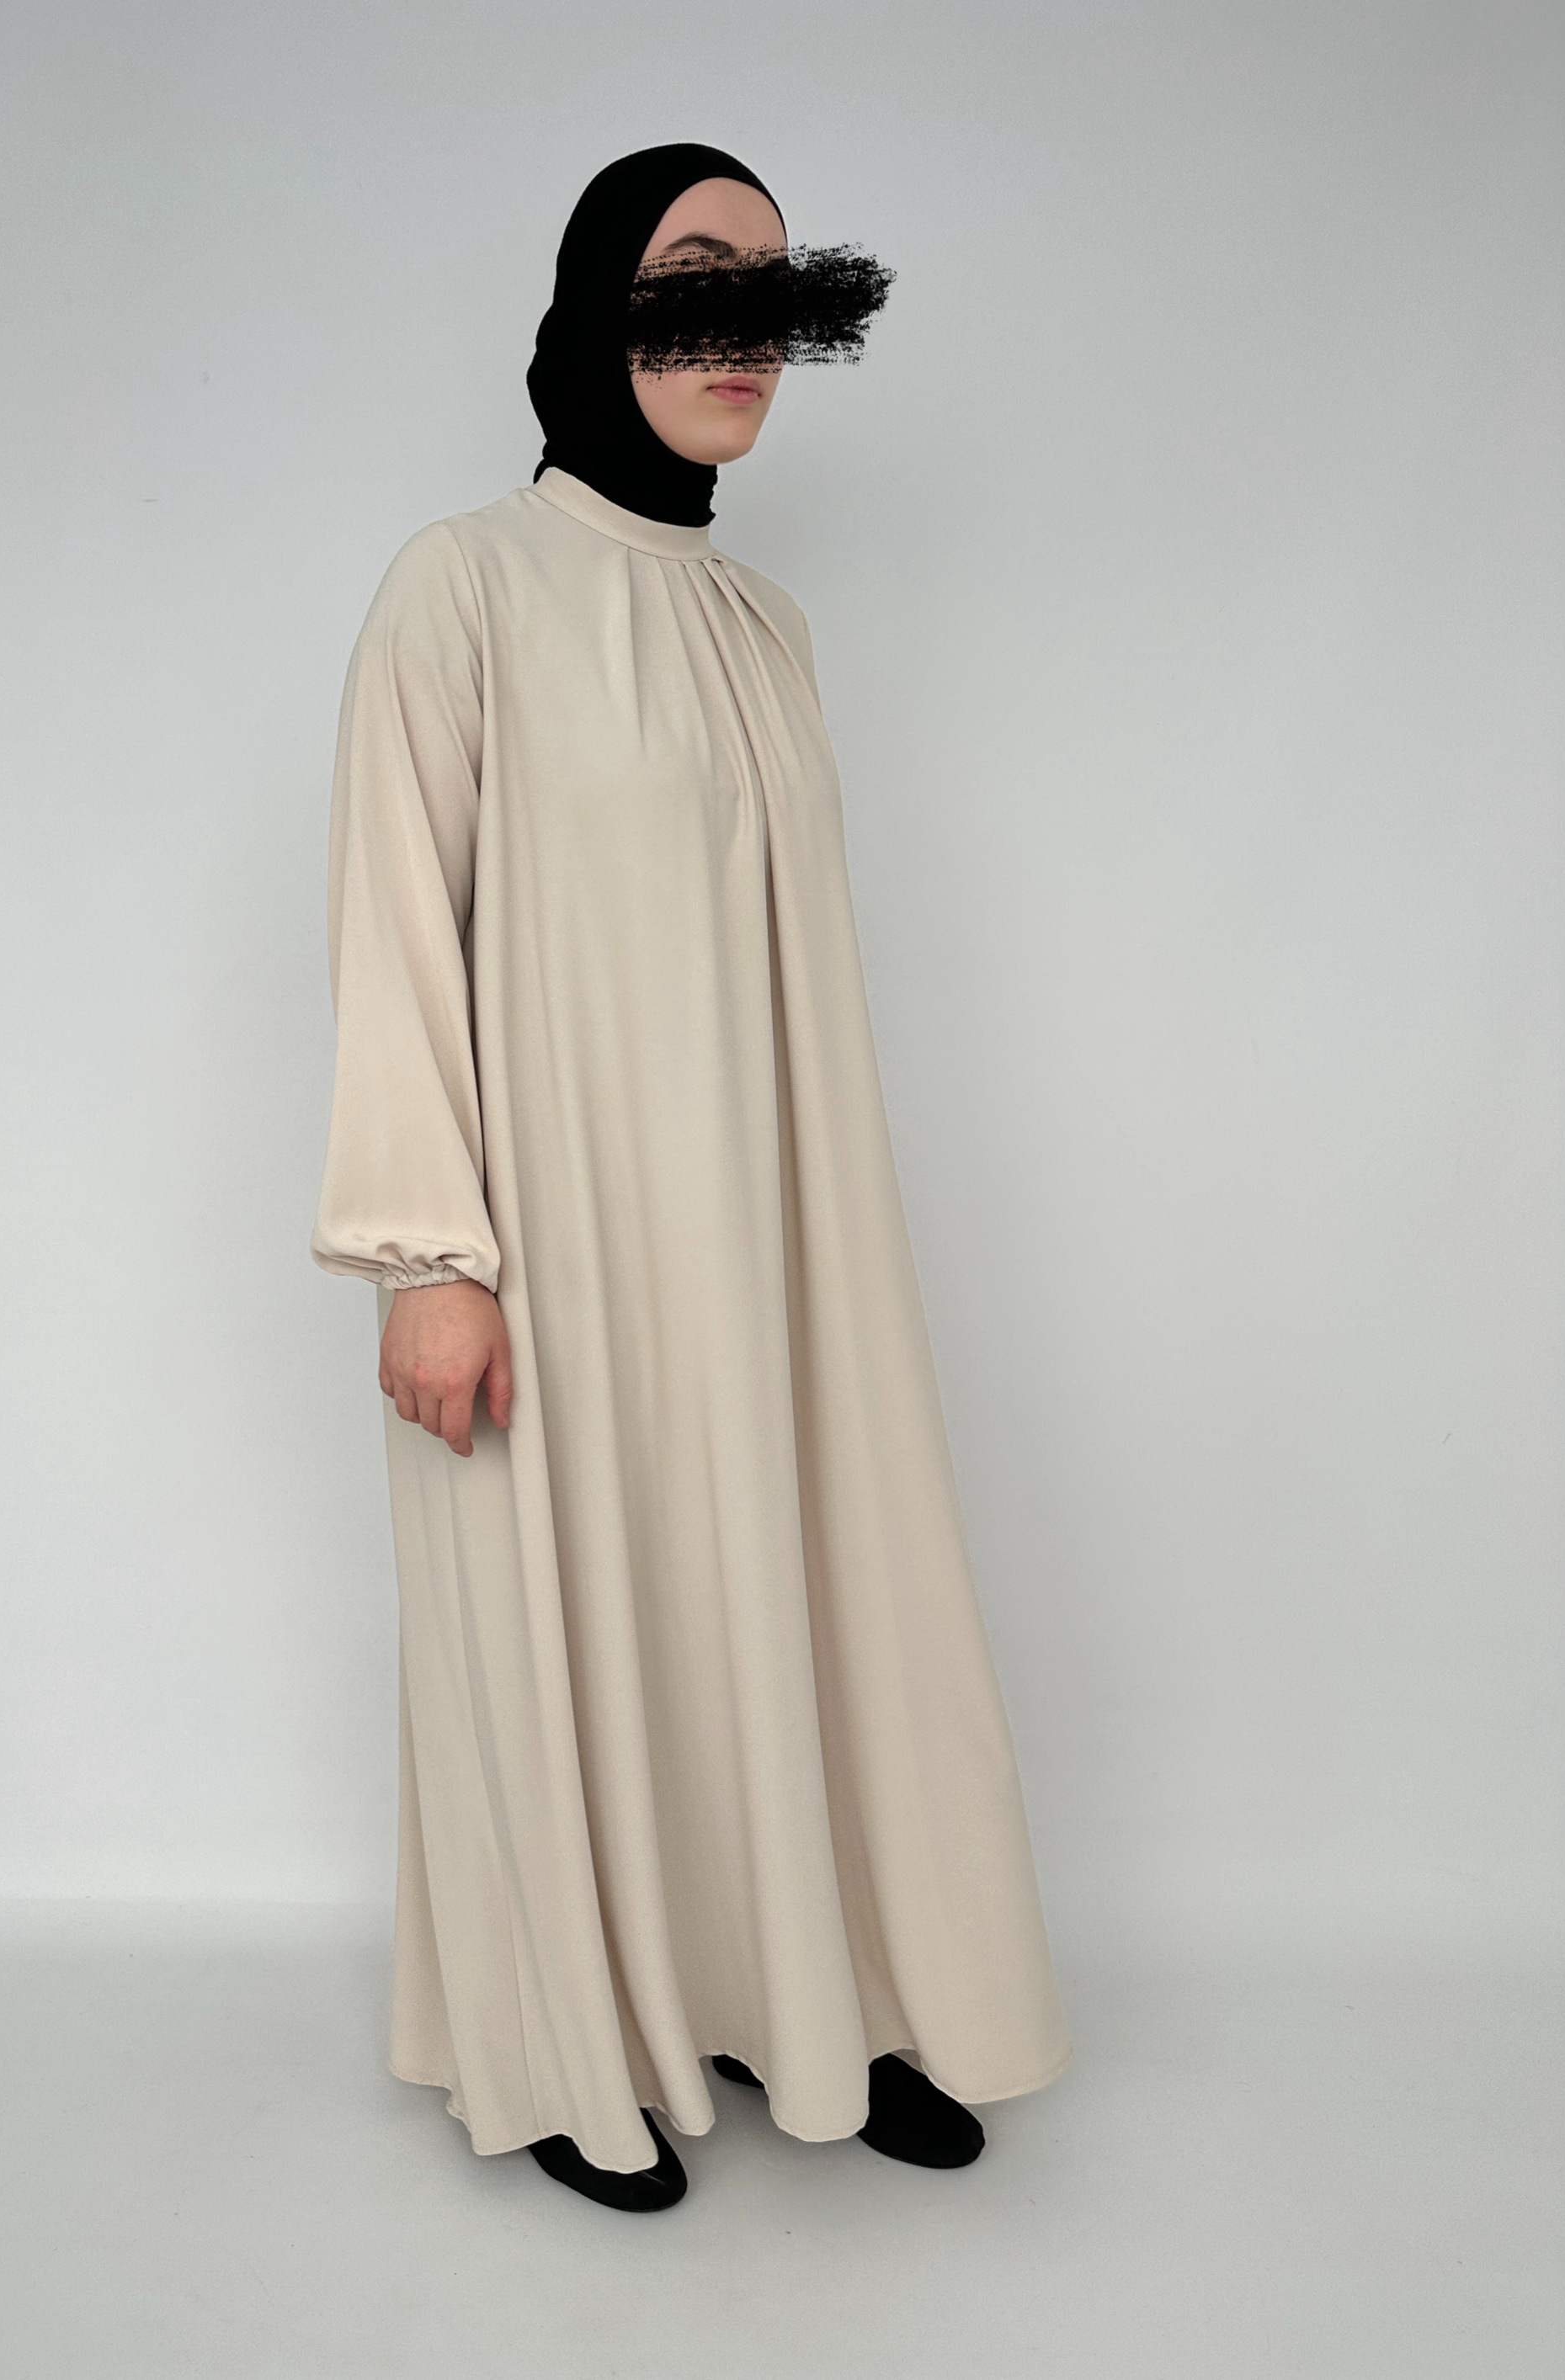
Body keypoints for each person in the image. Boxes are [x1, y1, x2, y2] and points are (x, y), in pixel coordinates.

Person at [311, 143, 1071, 2213]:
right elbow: (394, 924)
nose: (745, 333)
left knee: (792, 1590)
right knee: (572, 1615)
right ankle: (576, 2052)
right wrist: (426, 1253)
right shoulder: (463, 585)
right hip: (551, 1241)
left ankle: (802, 2001)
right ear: (595, 310)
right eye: (693, 279)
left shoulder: (763, 623)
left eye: (774, 291)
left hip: (770, 1235)